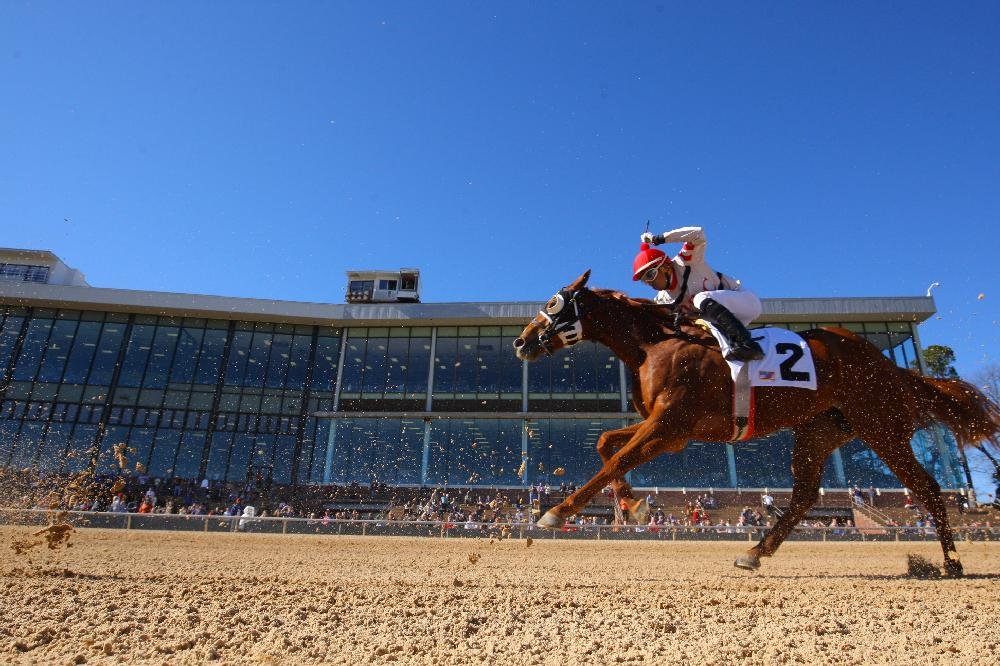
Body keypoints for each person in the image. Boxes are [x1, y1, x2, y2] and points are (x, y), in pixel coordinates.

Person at [633, 226, 764, 362]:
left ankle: (747, 344)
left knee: (700, 298)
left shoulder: (686, 260)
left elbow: (698, 234)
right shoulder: (661, 300)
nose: (648, 282)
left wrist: (659, 238)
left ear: (665, 266)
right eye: (644, 280)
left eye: (650, 274)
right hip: (720, 322)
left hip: (746, 303)